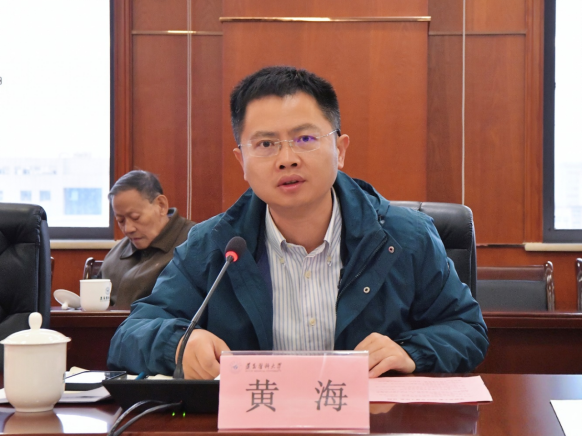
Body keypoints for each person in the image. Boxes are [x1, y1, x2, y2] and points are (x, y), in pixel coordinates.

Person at [108, 66, 488, 377]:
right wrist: (179, 344)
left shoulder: (407, 237)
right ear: (242, 162)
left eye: (305, 138)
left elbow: (466, 329)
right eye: (265, 144)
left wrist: (410, 352)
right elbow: (130, 334)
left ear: (339, 149)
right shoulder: (213, 245)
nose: (287, 158)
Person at [100, 170, 195, 308]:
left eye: (135, 217)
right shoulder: (114, 256)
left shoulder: (195, 244)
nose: (128, 229)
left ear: (161, 205)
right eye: (120, 220)